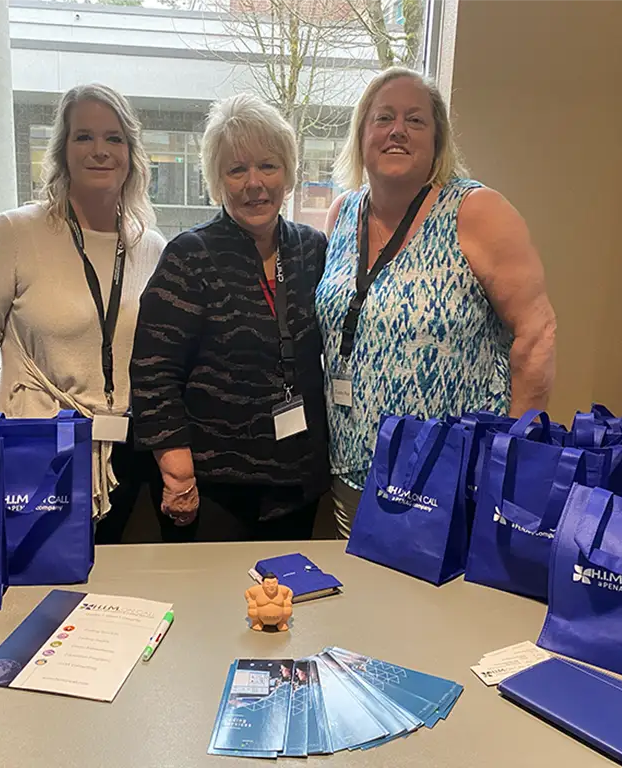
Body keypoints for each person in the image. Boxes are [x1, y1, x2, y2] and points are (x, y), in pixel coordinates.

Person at [317, 67, 557, 539]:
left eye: (415, 120)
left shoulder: (477, 211)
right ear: (361, 133)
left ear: (438, 140)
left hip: (449, 483)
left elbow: (537, 334)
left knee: (434, 612)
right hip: (349, 476)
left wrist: (509, 458)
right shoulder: (343, 213)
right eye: (383, 117)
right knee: (358, 608)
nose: (397, 130)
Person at [0, 83, 166, 543]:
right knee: (39, 588)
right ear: (62, 150)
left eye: (114, 138)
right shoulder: (15, 233)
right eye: (83, 136)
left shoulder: (150, 248)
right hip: (37, 448)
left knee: (111, 594)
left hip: (123, 452)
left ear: (131, 152)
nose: (100, 151)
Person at [129, 93, 329, 542]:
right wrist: (179, 476)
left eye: (268, 166)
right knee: (216, 609)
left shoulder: (312, 249)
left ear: (289, 173)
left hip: (298, 482)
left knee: (281, 608)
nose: (254, 183)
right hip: (214, 486)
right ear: (218, 181)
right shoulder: (190, 255)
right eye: (237, 170)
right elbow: (152, 372)